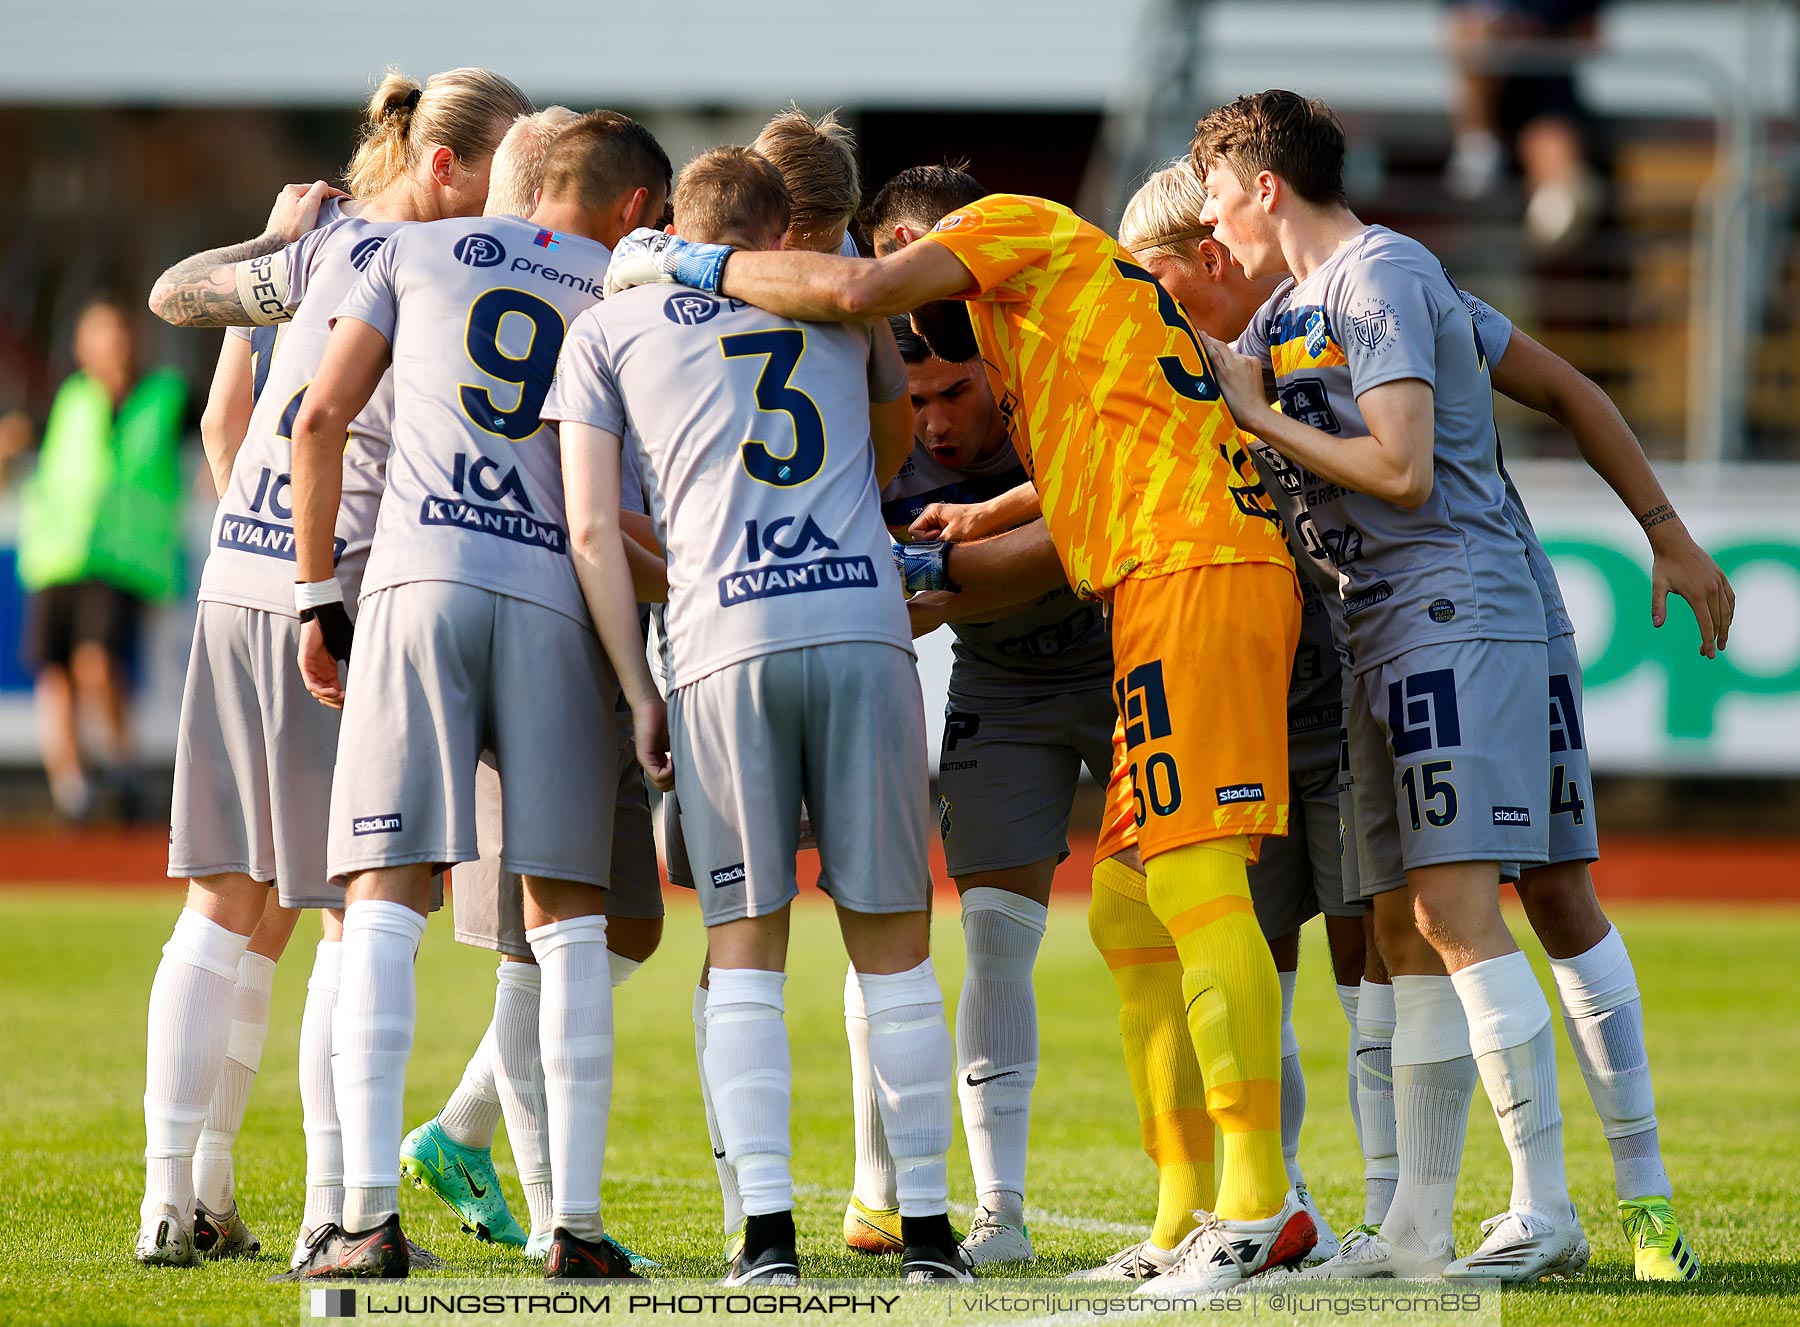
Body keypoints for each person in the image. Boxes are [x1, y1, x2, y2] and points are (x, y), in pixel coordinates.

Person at [606, 157, 1314, 1288]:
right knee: (1133, 907)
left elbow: (848, 300)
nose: (902, 286)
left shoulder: (1013, 228)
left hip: (1197, 567)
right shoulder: (1037, 319)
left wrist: (688, 262)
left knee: (1195, 880)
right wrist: (988, 512)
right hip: (1155, 577)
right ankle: (1187, 1209)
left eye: (905, 256)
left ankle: (1262, 1205)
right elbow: (1112, 432)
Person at [133, 67, 534, 1272]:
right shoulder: (443, 271)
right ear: (443, 165)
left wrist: (274, 233)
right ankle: (330, 1199)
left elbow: (177, 303)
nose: (513, 198)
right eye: (502, 168)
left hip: (234, 579)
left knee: (229, 904)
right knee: (362, 914)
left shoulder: (323, 248)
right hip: (339, 598)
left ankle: (177, 1200)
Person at [547, 145, 963, 1285]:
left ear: (676, 220)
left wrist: (642, 690)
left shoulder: (607, 330)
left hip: (726, 639)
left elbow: (592, 529)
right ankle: (927, 1231)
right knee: (894, 944)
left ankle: (765, 1237)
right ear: (786, 233)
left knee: (744, 948)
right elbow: (885, 464)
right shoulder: (844, 316)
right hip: (862, 627)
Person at [1196, 88, 1586, 1283]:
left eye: (1216, 194)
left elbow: (1404, 469)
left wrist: (1257, 413)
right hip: (1383, 627)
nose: (1213, 223)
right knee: (1417, 926)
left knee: (1460, 911)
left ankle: (1546, 1209)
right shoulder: (1298, 301)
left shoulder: (1378, 273)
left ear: (1264, 185)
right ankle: (1418, 1220)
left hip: (1451, 612)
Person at [283, 110, 671, 1282]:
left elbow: (318, 416)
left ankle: (358, 1221)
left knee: (384, 905)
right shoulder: (623, 287)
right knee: (569, 927)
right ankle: (578, 1229)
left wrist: (315, 594)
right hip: (556, 600)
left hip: (420, 583)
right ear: (634, 208)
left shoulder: (408, 251)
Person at [396, 105, 666, 1271]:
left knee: (620, 924)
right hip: (550, 635)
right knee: (546, 935)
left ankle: (461, 1132)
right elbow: (598, 513)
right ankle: (561, 1216)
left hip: (521, 626)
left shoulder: (436, 271)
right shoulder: (607, 298)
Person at [879, 313, 1114, 1267]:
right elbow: (921, 613)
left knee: (1183, 919)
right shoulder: (882, 449)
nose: (934, 421)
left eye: (954, 392)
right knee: (990, 935)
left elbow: (1078, 534)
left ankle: (1258, 1190)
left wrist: (946, 562)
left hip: (1124, 661)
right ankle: (1000, 1213)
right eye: (918, 400)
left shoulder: (1056, 393)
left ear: (998, 368)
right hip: (1000, 689)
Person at [15, 295, 185, 822]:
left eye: (119, 332)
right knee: (55, 677)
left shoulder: (167, 395)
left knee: (96, 665)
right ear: (80, 344)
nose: (111, 344)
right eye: (100, 333)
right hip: (58, 554)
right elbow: (20, 438)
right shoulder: (68, 397)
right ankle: (74, 790)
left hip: (122, 559)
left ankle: (123, 764)